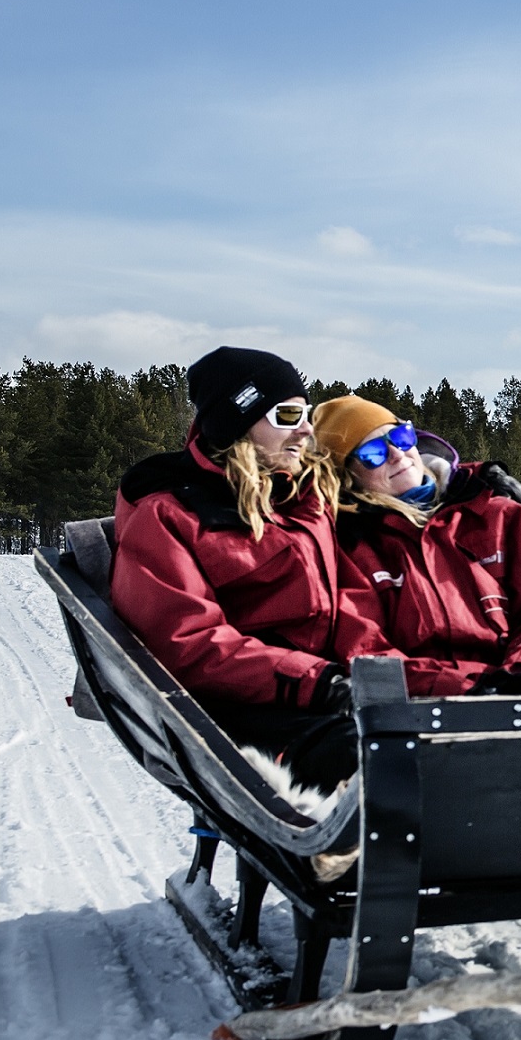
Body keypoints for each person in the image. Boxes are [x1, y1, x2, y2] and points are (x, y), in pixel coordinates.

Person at [111, 347, 384, 837]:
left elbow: (398, 478)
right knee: (379, 758)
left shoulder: (305, 492)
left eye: (307, 412)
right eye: (287, 415)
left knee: (443, 737)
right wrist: (314, 681)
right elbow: (185, 643)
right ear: (239, 423)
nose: (305, 429)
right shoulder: (169, 513)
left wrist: (464, 480)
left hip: (331, 690)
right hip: (241, 710)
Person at [311, 396, 521, 697]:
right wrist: (472, 690)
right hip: (422, 709)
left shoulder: (499, 515)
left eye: (399, 436)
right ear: (347, 477)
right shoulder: (350, 547)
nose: (396, 454)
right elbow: (366, 650)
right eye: (372, 453)